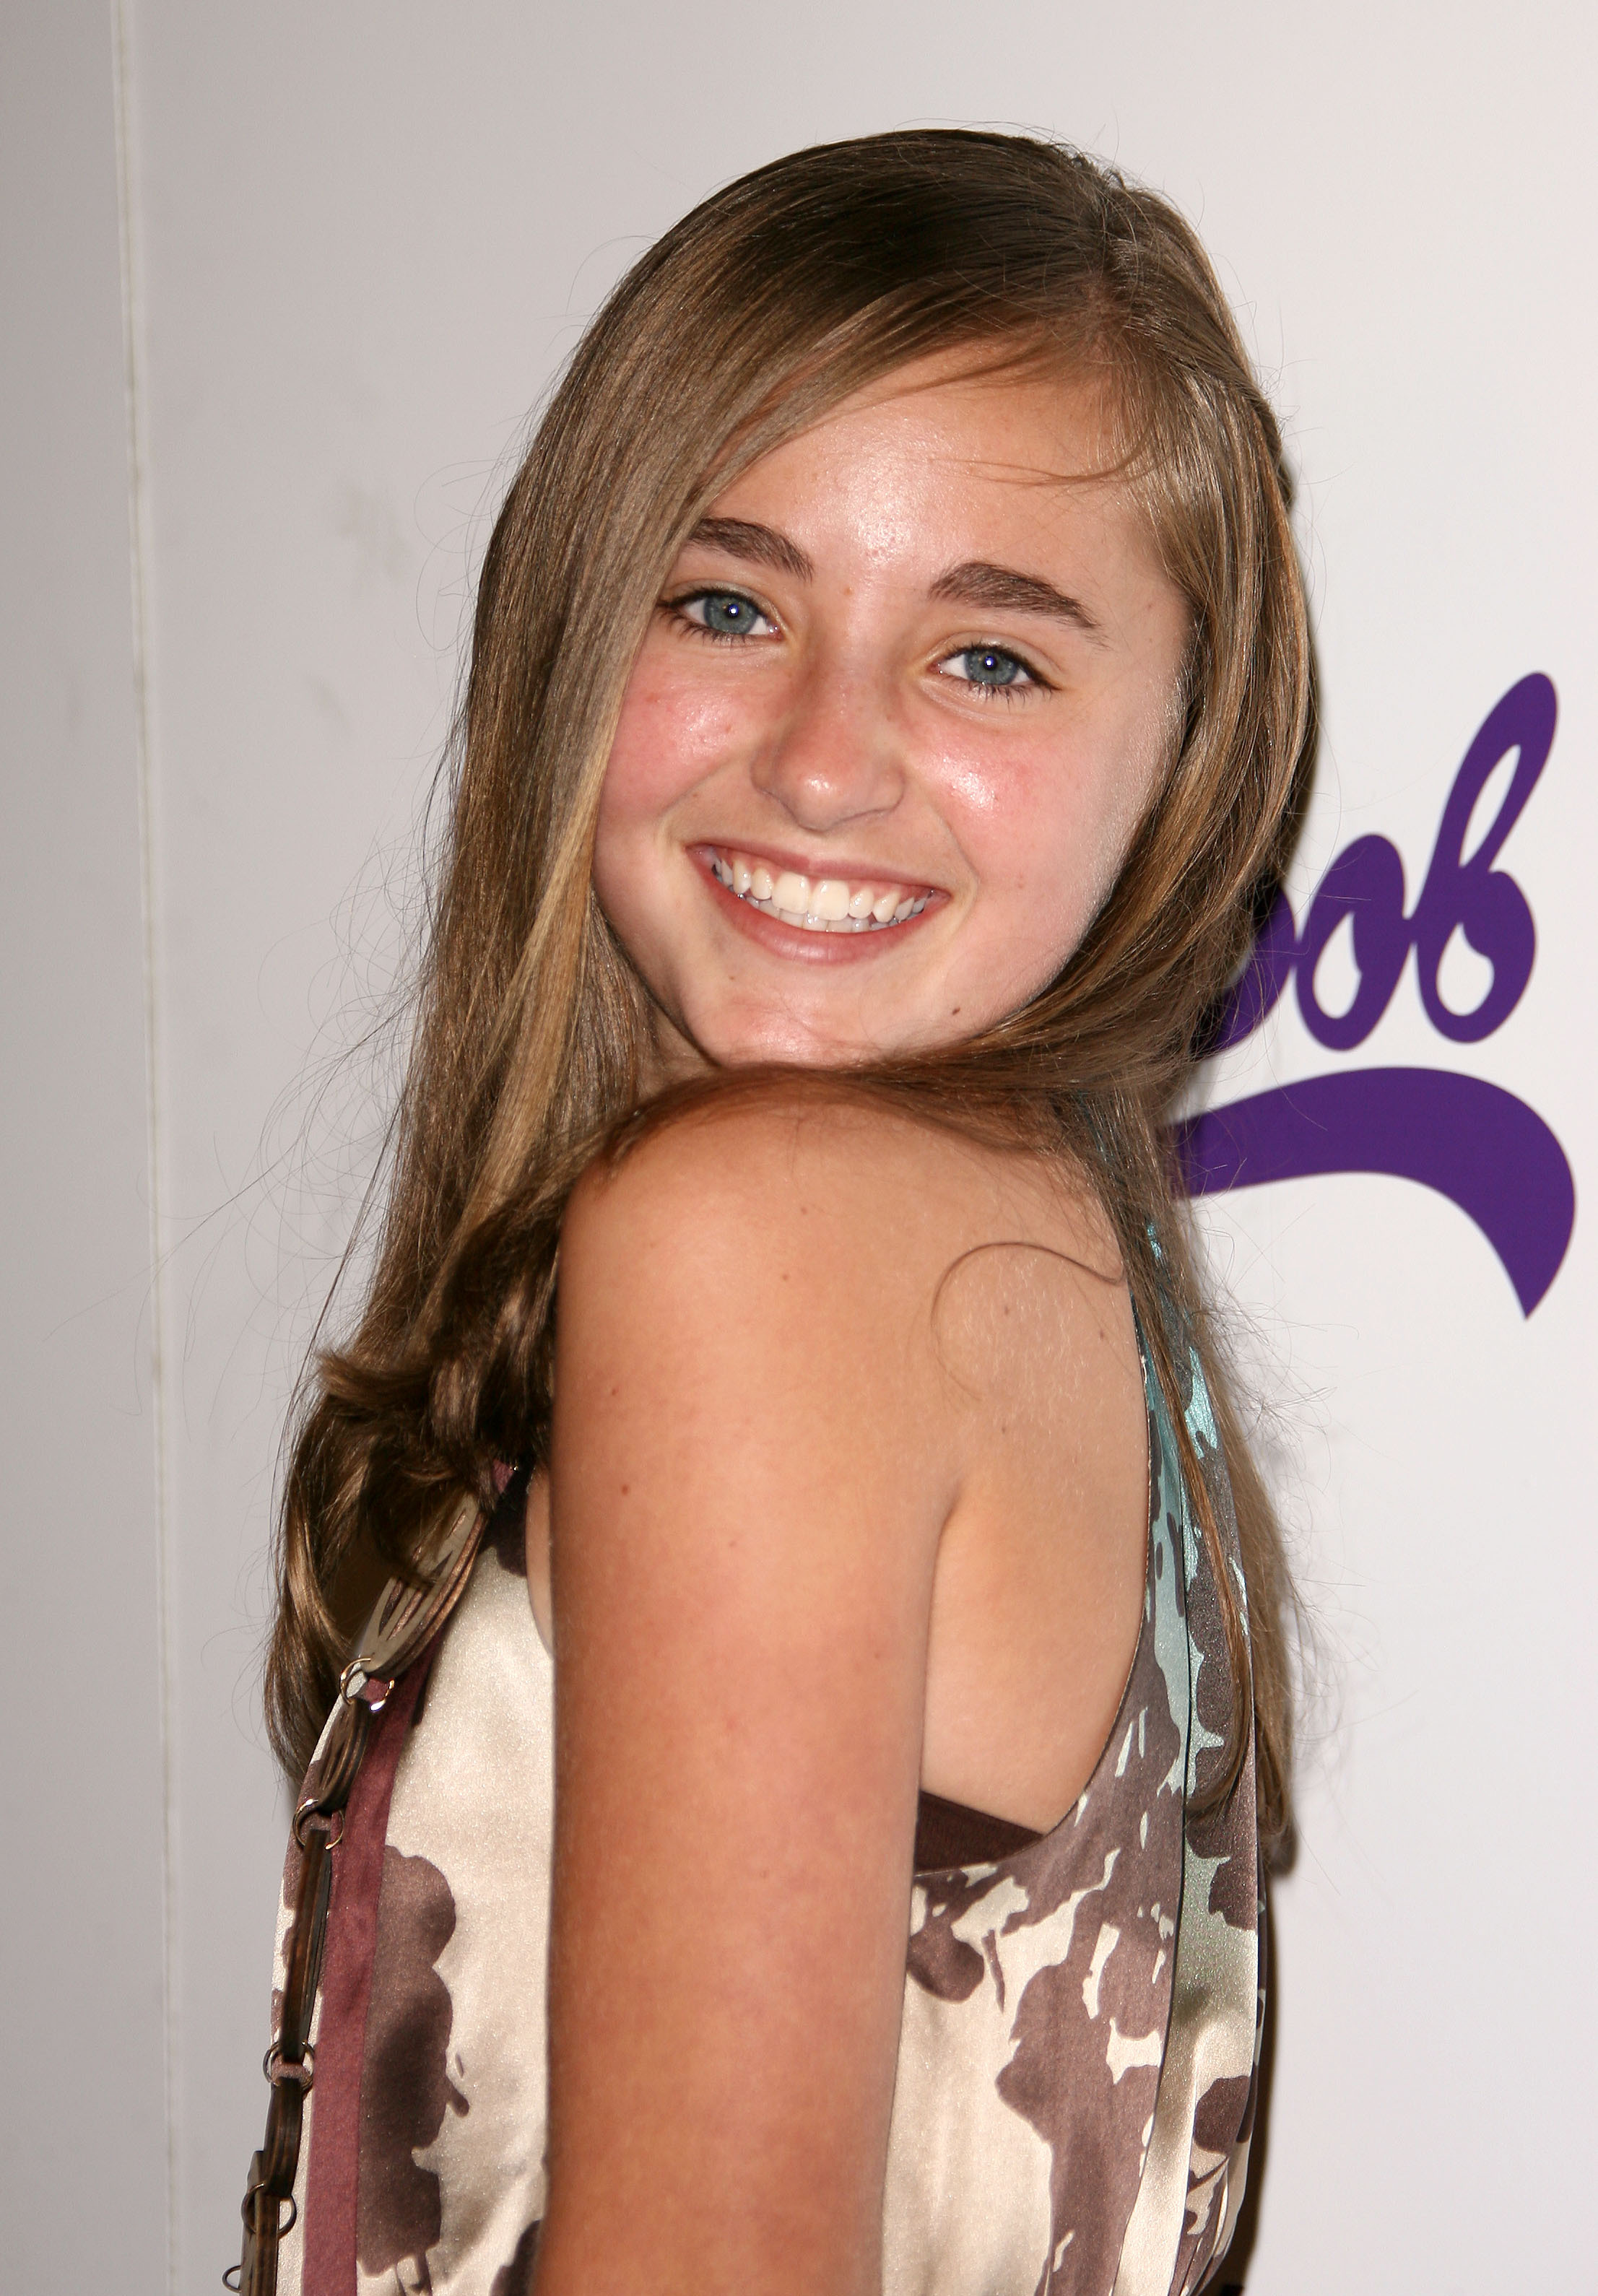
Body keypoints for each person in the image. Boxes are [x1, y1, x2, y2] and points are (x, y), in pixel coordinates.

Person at [238, 128, 1311, 2296]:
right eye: (728, 604)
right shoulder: (1039, 1257)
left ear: (1188, 753)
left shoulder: (760, 1238)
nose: (826, 760)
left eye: (990, 657)